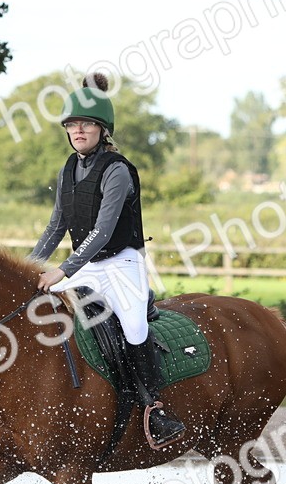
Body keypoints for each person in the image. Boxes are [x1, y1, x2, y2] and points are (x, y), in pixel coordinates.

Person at [30, 73, 186, 448]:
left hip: (121, 263)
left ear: (101, 129)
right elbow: (56, 226)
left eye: (85, 124)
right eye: (72, 125)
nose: (78, 130)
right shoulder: (67, 168)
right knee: (41, 306)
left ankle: (155, 409)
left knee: (133, 327)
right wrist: (28, 267)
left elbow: (102, 232)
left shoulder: (117, 170)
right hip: (87, 265)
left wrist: (62, 269)